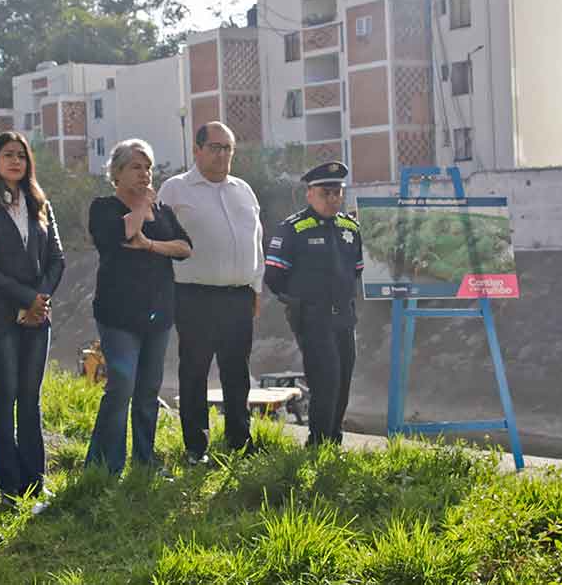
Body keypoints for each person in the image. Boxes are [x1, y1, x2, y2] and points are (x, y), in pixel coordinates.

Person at [157, 121, 263, 464]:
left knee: (237, 371)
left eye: (227, 148)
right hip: (194, 296)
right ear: (197, 150)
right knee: (195, 372)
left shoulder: (243, 190)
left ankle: (239, 440)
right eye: (215, 147)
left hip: (239, 296)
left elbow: (256, 243)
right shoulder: (175, 189)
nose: (222, 154)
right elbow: (161, 239)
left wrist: (256, 288)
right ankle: (196, 447)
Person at [85, 139, 192, 475]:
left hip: (158, 313)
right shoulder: (103, 208)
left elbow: (185, 247)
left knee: (148, 390)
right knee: (122, 386)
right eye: (135, 166)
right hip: (118, 315)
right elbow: (118, 235)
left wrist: (149, 245)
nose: (144, 173)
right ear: (116, 173)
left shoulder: (163, 212)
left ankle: (145, 462)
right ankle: (105, 467)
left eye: (147, 167)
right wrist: (141, 211)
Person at [0, 132, 64, 508]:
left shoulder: (40, 204)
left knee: (30, 398)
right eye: (8, 155)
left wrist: (39, 299)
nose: (15, 162)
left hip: (37, 314)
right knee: (5, 394)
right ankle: (9, 488)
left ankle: (35, 485)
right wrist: (25, 300)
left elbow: (57, 258)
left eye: (21, 156)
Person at [263, 161, 364, 446]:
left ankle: (334, 441)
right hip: (312, 316)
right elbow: (274, 275)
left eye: (337, 193)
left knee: (343, 379)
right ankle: (318, 442)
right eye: (326, 193)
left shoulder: (350, 227)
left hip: (344, 315)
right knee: (326, 379)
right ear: (310, 194)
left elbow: (356, 269)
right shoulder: (294, 229)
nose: (333, 199)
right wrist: (298, 302)